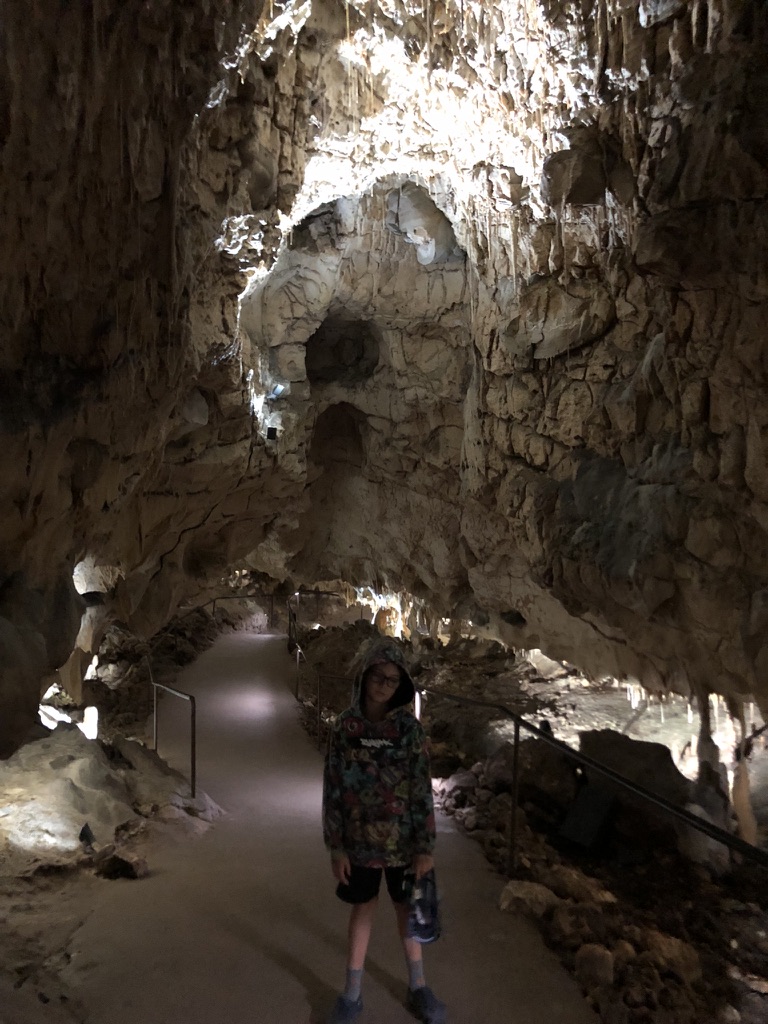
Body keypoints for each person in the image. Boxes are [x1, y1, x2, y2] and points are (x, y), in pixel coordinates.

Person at [322, 637, 446, 1024]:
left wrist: (425, 846)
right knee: (363, 908)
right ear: (365, 675)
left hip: (402, 842)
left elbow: (421, 789)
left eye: (392, 680)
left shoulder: (409, 730)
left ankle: (419, 986)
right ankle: (352, 993)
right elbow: (333, 787)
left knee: (407, 910)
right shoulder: (345, 726)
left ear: (401, 684)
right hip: (358, 841)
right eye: (378, 676)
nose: (383, 685)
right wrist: (336, 845)